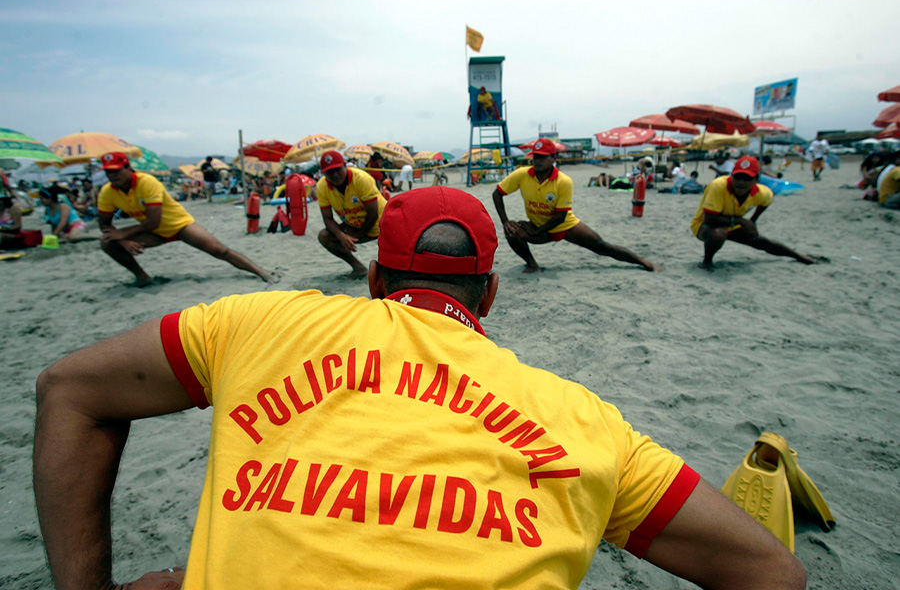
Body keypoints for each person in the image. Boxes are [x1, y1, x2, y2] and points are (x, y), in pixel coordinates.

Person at [33, 185, 805, 590]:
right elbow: (771, 571)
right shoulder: (589, 424)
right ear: (490, 297)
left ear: (373, 280)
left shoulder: (254, 327)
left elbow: (68, 387)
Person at [96, 152, 277, 287]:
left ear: (128, 168)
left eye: (117, 171)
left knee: (219, 250)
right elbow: (104, 226)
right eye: (109, 173)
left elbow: (154, 221)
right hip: (152, 232)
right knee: (107, 242)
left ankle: (260, 271)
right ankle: (142, 276)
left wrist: (123, 234)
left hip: (179, 225)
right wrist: (122, 239)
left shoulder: (146, 182)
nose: (113, 176)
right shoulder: (108, 192)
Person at [492, 140, 659, 273]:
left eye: (543, 157)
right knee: (512, 232)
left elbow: (561, 216)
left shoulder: (563, 181)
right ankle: (532, 264)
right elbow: (497, 193)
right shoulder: (522, 174)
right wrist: (505, 221)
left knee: (601, 247)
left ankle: (642, 261)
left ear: (553, 158)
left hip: (565, 225)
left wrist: (538, 230)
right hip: (539, 227)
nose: (538, 160)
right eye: (536, 156)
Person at [690, 156, 815, 270]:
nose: (741, 182)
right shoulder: (718, 186)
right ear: (731, 176)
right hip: (704, 225)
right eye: (738, 177)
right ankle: (707, 261)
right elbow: (710, 219)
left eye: (747, 178)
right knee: (718, 233)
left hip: (732, 224)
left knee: (761, 242)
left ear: (756, 179)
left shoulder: (763, 193)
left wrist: (753, 221)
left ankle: (798, 256)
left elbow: (766, 202)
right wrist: (743, 221)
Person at [315, 150, 387, 279]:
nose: (335, 174)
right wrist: (341, 236)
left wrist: (356, 235)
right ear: (323, 173)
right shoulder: (322, 187)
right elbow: (327, 218)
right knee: (324, 236)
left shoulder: (361, 179)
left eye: (338, 169)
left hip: (382, 224)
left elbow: (372, 214)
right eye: (330, 172)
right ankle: (359, 268)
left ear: (345, 166)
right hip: (353, 225)